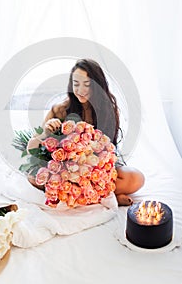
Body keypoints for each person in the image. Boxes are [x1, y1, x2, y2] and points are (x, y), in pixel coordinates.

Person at [27, 58, 145, 206]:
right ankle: (105, 194)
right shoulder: (60, 110)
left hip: (96, 170)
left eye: (87, 85)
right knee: (33, 177)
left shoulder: (108, 110)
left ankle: (84, 194)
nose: (80, 90)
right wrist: (45, 132)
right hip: (66, 172)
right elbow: (32, 147)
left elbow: (110, 151)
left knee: (136, 178)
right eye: (76, 84)